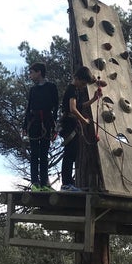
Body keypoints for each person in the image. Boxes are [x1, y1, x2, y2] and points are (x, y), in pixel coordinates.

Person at [60, 66, 101, 191]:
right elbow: (73, 108)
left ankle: (68, 182)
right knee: (69, 153)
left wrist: (94, 99)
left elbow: (80, 105)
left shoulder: (75, 90)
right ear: (77, 78)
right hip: (69, 123)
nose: (83, 86)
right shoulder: (72, 89)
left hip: (71, 123)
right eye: (83, 83)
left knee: (72, 153)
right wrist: (84, 120)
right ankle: (66, 183)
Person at [24, 62, 59, 192]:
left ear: (39, 72)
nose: (30, 75)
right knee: (34, 153)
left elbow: (56, 107)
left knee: (44, 153)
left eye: (31, 72)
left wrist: (54, 126)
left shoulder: (51, 87)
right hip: (33, 122)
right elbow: (28, 108)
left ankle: (44, 183)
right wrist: (24, 126)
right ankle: (35, 183)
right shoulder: (33, 89)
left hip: (47, 123)